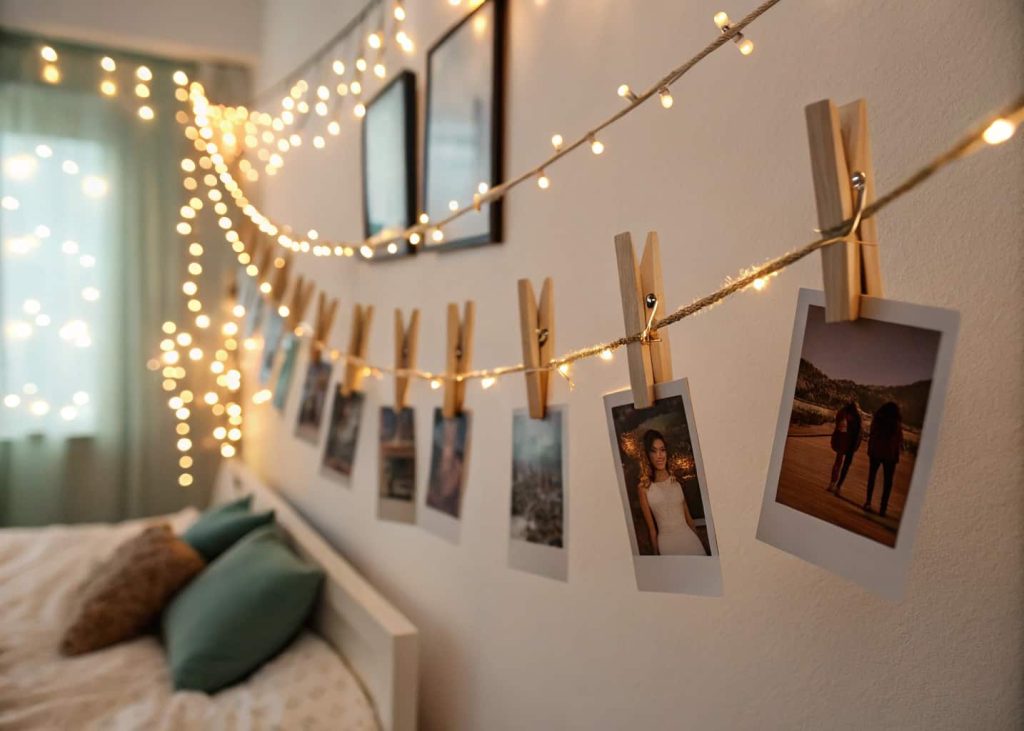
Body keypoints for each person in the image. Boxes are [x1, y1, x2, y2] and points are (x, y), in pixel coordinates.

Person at [636, 430, 707, 556]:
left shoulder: (676, 481)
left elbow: (689, 520)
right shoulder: (644, 488)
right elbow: (652, 530)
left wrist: (702, 544)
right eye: (654, 451)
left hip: (690, 540)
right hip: (667, 545)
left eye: (662, 450)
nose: (660, 455)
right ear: (647, 455)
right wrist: (658, 558)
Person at [864, 401, 903, 516]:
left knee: (872, 477)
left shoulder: (877, 419)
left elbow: (872, 434)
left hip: (876, 453)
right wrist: (896, 455)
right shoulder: (896, 424)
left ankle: (868, 502)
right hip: (890, 456)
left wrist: (871, 449)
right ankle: (883, 508)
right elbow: (898, 441)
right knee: (888, 483)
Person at [826, 401, 862, 494]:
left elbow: (839, 427)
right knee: (845, 465)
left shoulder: (843, 413)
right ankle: (838, 486)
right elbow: (858, 433)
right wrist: (856, 445)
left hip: (841, 442)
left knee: (838, 462)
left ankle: (832, 483)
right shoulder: (857, 417)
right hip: (850, 444)